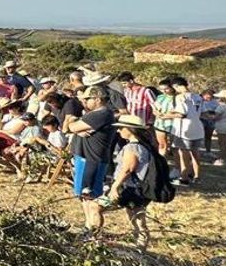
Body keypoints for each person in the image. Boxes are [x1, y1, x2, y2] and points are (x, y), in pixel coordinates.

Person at [67, 86, 117, 239]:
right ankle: (88, 227)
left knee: (90, 197)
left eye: (87, 99)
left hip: (91, 159)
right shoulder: (95, 114)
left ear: (97, 99)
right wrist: (75, 127)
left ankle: (93, 234)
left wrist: (74, 125)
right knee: (83, 196)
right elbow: (71, 127)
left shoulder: (101, 114)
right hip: (85, 158)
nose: (84, 101)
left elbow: (72, 125)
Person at [105, 115, 155, 250]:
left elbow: (128, 169)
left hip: (131, 188)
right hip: (138, 188)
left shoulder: (132, 148)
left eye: (121, 128)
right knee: (136, 216)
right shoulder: (144, 145)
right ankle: (140, 244)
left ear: (130, 129)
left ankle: (141, 245)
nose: (118, 131)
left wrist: (115, 186)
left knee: (96, 207)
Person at [162, 76, 204, 186]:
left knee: (183, 153)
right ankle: (197, 176)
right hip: (197, 127)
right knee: (195, 153)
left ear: (176, 86)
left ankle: (184, 178)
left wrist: (165, 115)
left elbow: (181, 114)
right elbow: (202, 112)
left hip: (184, 129)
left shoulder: (180, 97)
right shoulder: (197, 97)